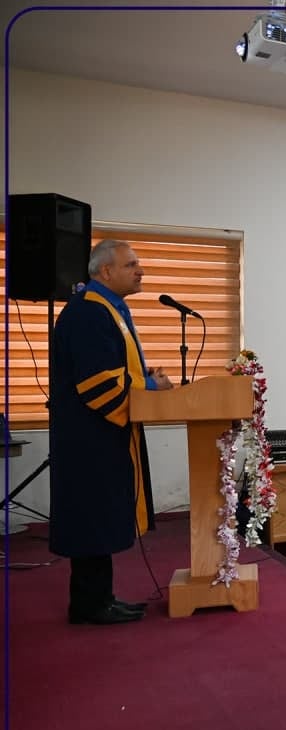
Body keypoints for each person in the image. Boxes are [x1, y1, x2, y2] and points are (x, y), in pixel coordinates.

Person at [50, 239, 174, 626]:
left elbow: (115, 370)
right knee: (92, 517)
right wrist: (150, 387)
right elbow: (99, 384)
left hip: (102, 433)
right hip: (90, 436)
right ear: (105, 271)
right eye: (131, 265)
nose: (140, 271)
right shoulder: (89, 312)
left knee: (98, 515)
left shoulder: (106, 307)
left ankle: (99, 598)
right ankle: (90, 605)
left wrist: (142, 376)